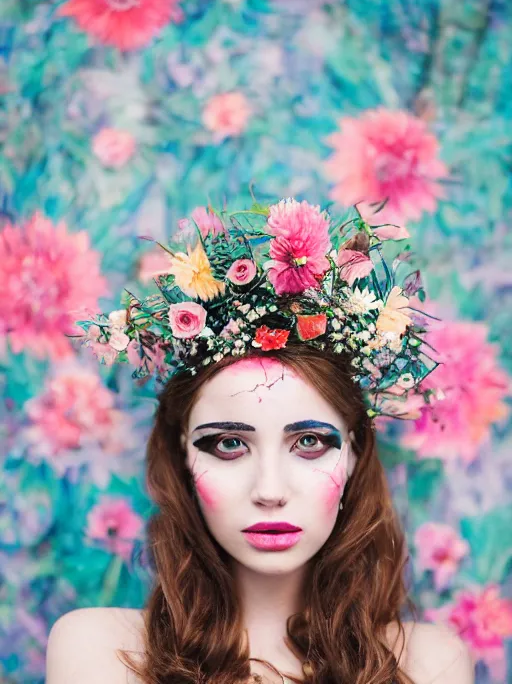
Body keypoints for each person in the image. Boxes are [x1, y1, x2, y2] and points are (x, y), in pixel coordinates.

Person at [46, 199, 474, 684]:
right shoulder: (101, 653)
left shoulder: (429, 664)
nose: (269, 490)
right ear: (182, 452)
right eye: (229, 444)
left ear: (354, 452)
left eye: (309, 441)